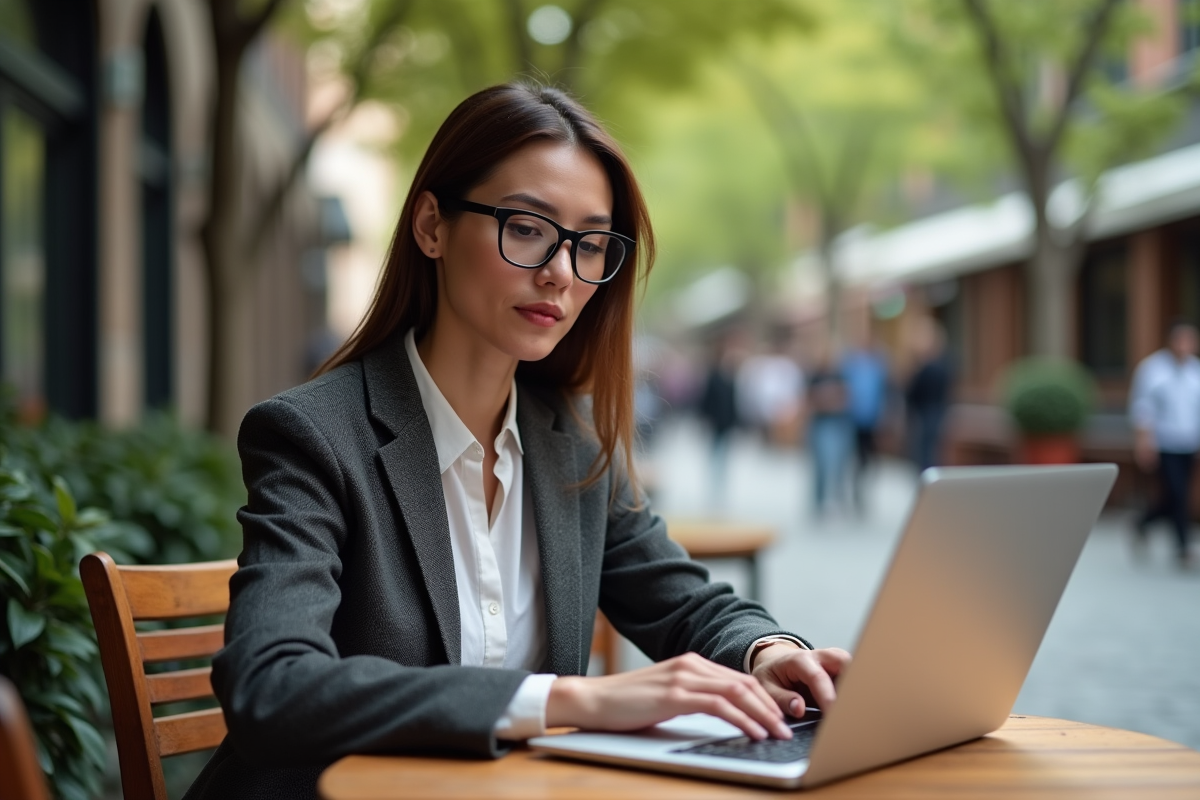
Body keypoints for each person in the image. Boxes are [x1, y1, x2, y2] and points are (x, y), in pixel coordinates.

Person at [183, 83, 849, 800]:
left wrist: (767, 651)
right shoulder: (313, 435)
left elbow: (683, 603)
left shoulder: (571, 440)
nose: (560, 272)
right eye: (527, 227)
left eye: (590, 244)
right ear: (432, 226)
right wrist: (570, 701)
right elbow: (271, 684)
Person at [1129, 319, 1200, 568]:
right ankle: (1182, 549)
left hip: (1188, 443)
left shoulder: (1195, 371)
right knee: (1178, 494)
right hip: (1164, 443)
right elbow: (1142, 409)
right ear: (1171, 342)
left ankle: (1142, 523)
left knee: (1173, 497)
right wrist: (1144, 444)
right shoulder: (1153, 369)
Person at [842, 335, 889, 513]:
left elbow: (884, 392)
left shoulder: (878, 366)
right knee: (857, 458)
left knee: (871, 459)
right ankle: (856, 491)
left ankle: (863, 489)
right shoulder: (850, 366)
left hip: (873, 421)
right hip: (854, 420)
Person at [807, 347, 853, 517]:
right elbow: (810, 399)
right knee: (821, 466)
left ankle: (839, 501)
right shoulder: (815, 376)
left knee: (840, 465)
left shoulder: (840, 376)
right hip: (821, 424)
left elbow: (846, 398)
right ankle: (819, 502)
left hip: (838, 424)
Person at [905, 319, 952, 474]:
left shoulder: (926, 368)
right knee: (934, 451)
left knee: (925, 454)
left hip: (924, 416)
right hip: (940, 413)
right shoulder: (944, 364)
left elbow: (912, 393)